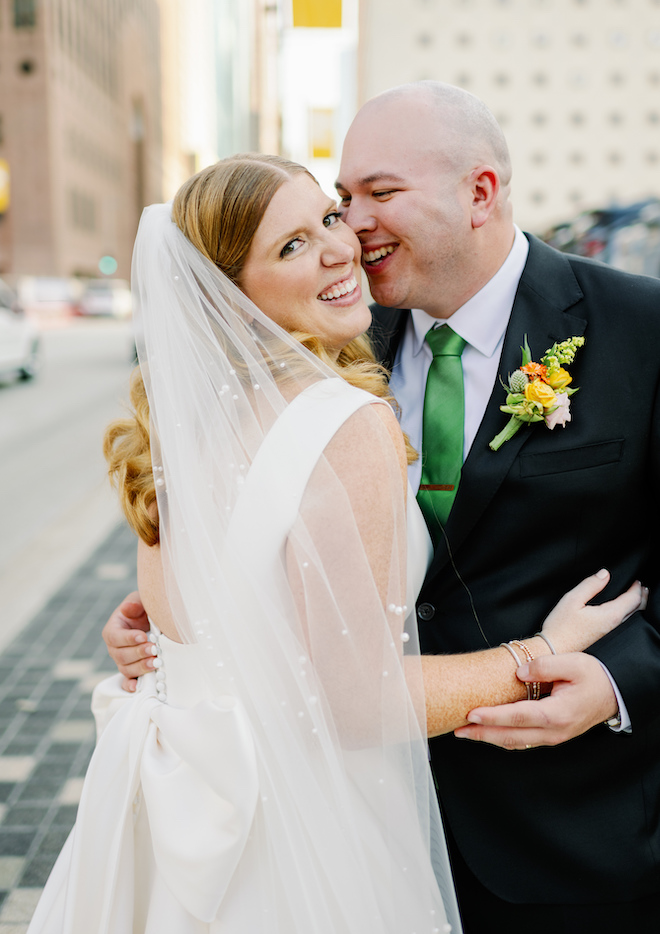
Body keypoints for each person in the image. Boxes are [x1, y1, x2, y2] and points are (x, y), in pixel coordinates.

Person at [91, 152, 642, 934]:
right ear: (228, 292)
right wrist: (536, 656)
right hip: (302, 826)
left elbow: (207, 612)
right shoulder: (344, 419)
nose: (341, 243)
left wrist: (157, 626)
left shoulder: (186, 425)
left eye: (328, 214)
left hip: (180, 807)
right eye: (290, 246)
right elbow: (356, 702)